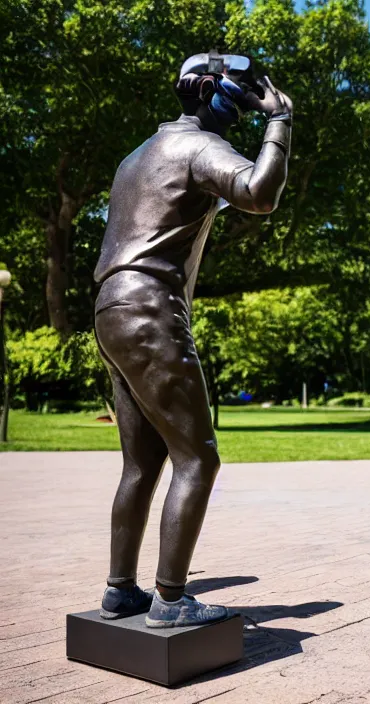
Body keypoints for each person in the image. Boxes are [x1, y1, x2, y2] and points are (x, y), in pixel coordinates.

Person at [94, 51, 292, 627]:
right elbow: (259, 193)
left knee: (140, 464)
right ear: (212, 91)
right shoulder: (198, 147)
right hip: (150, 308)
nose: (250, 100)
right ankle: (172, 601)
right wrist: (279, 121)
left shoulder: (138, 155)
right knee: (198, 458)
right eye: (244, 90)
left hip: (111, 307)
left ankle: (119, 591)